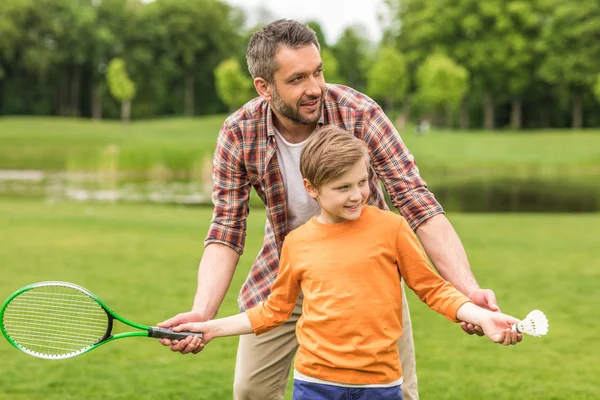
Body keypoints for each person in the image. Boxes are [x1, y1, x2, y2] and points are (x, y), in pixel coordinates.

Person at [158, 19, 515, 400]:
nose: (314, 88)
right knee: (251, 391)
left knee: (402, 393)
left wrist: (469, 292)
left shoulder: (359, 114)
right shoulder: (238, 132)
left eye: (318, 72)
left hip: (369, 275)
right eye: (297, 79)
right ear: (264, 87)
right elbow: (227, 231)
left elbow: (417, 203)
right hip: (290, 269)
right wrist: (202, 314)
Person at [168, 127, 523, 400]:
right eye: (342, 188)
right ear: (312, 189)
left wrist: (481, 316)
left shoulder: (392, 229)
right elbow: (273, 311)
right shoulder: (297, 243)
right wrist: (211, 327)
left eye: (363, 182)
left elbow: (433, 290)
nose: (357, 195)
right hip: (315, 385)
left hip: (380, 385)